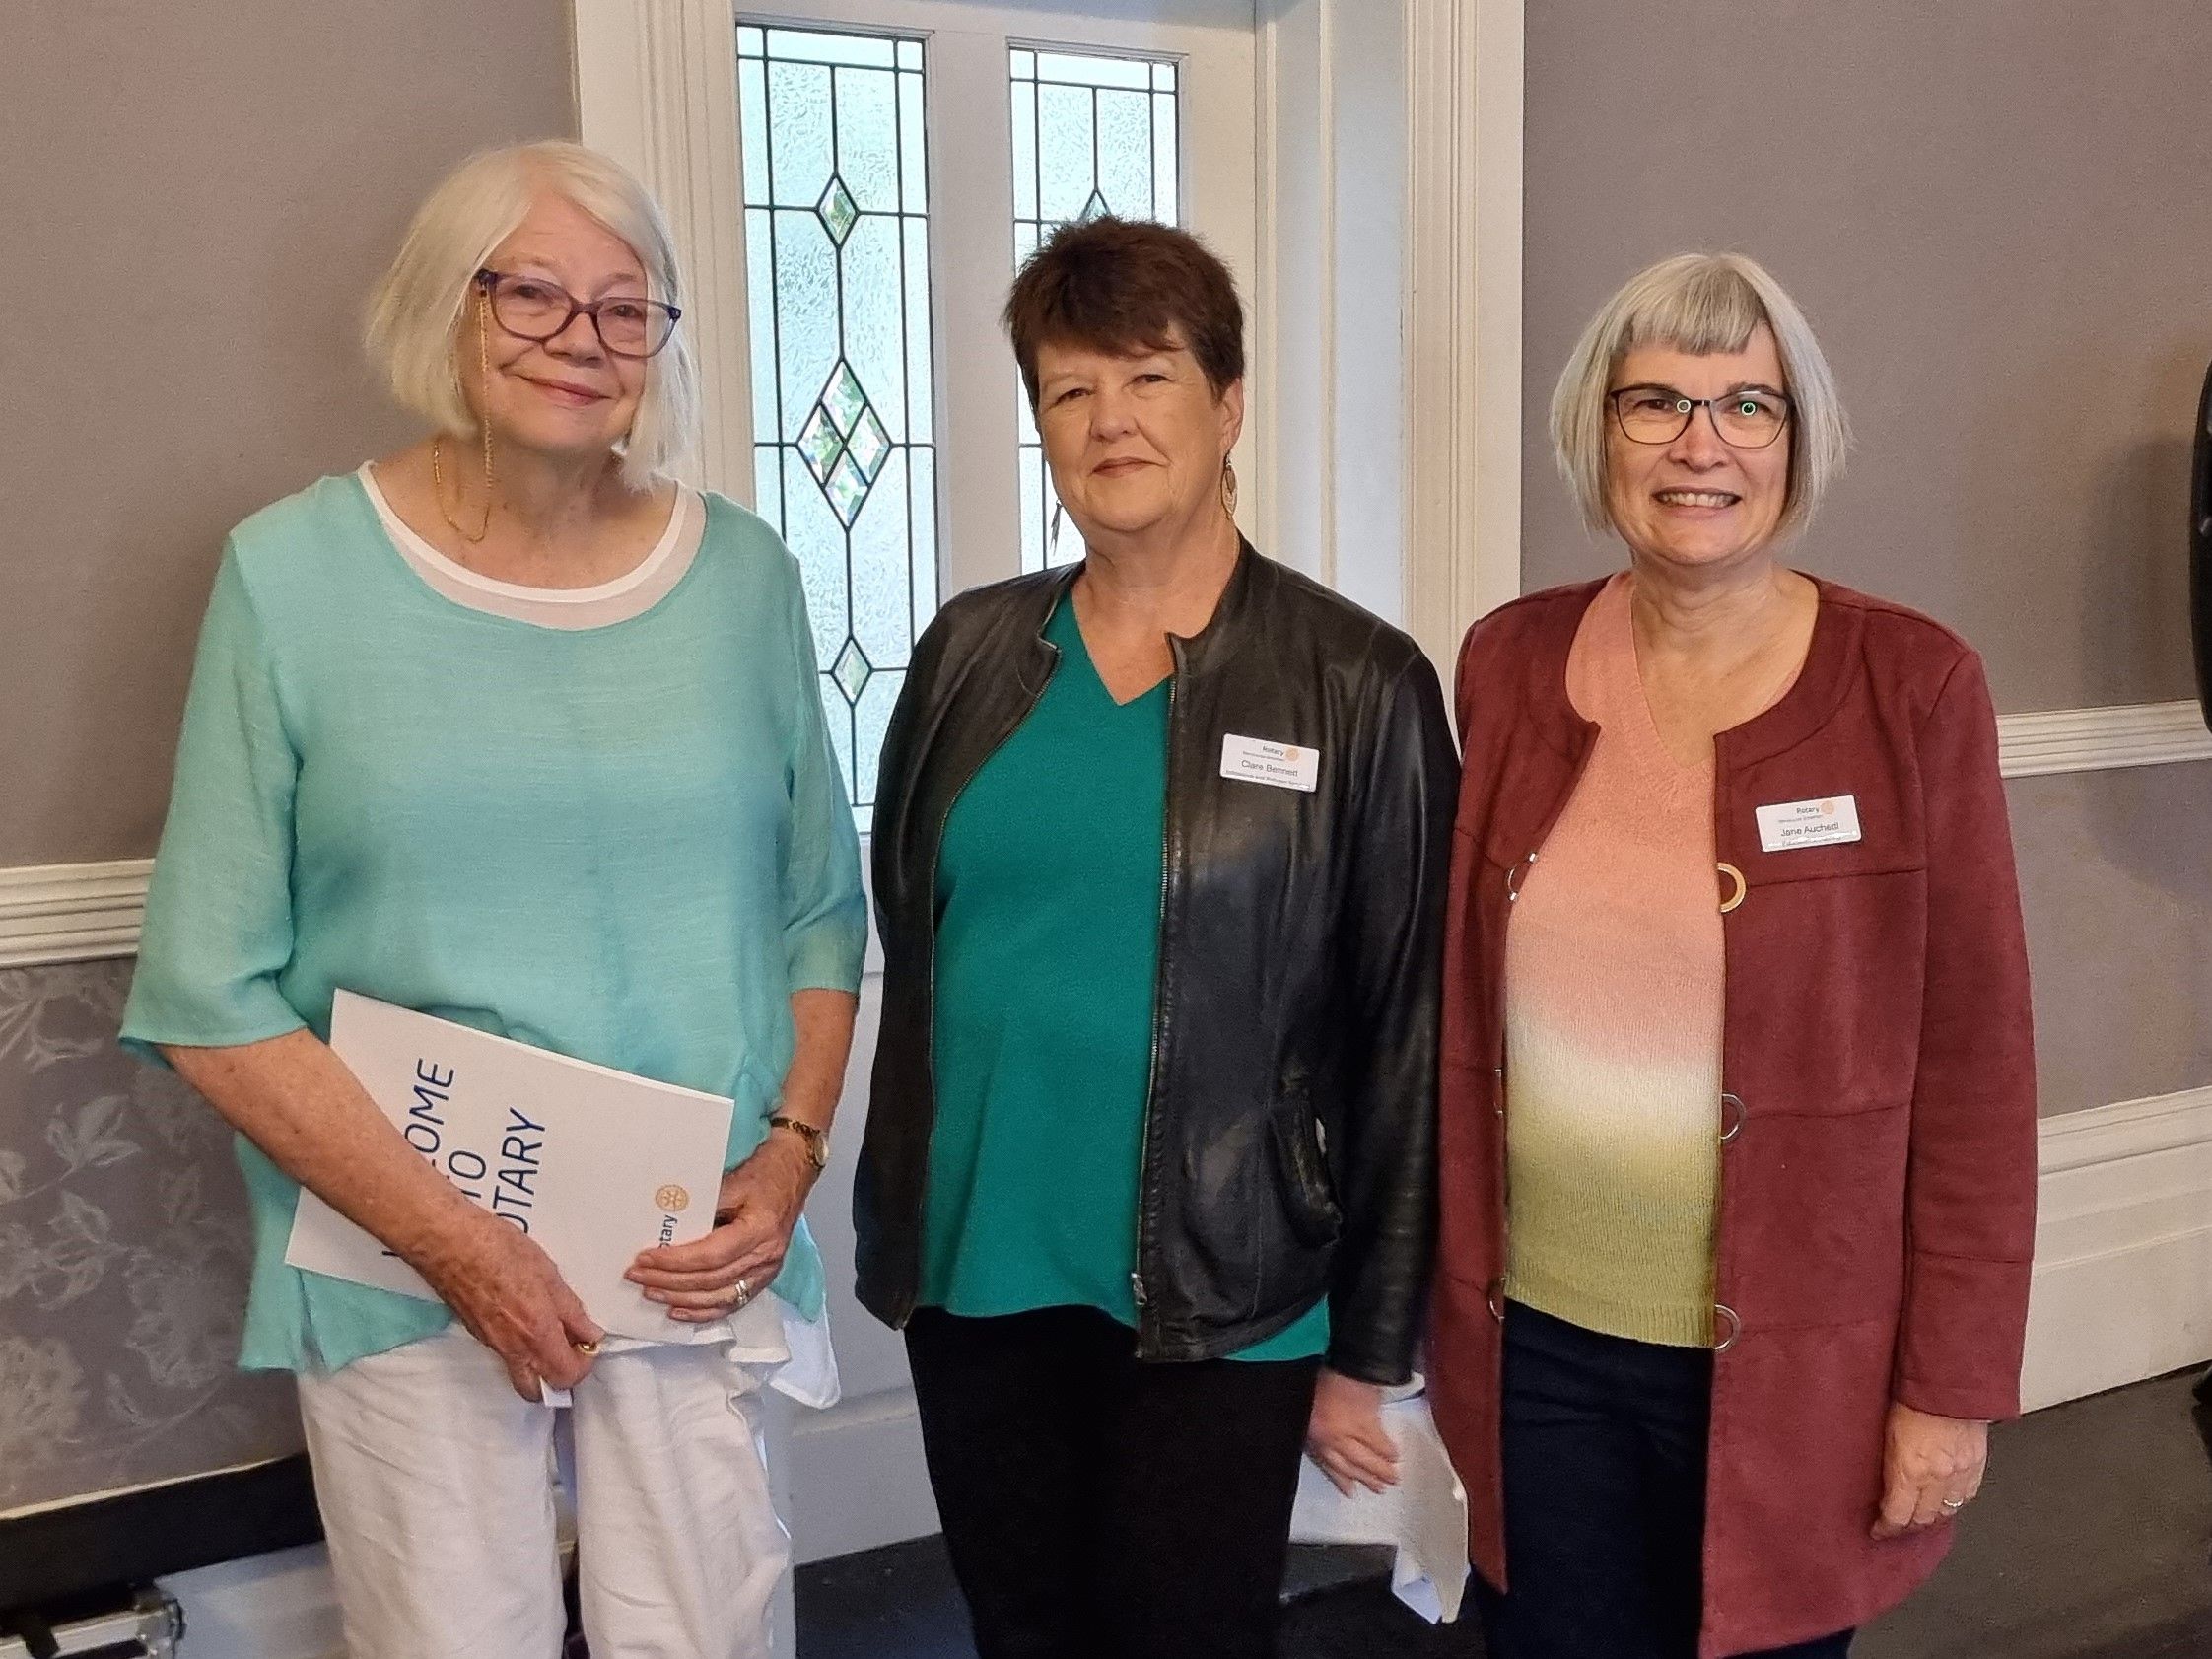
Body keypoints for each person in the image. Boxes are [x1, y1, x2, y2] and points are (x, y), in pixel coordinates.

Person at [119, 141, 866, 1659]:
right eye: (531, 293)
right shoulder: (291, 578)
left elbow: (820, 912)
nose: (579, 339)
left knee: (711, 1638)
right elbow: (208, 995)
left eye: (624, 307)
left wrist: (790, 1158)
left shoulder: (745, 581)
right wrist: (461, 1244)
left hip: (685, 1252)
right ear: (444, 306)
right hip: (405, 1255)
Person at [855, 216, 1457, 1659]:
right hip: (979, 1267)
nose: (1108, 420)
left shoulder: (1357, 684)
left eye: (1149, 377)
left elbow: (1408, 1036)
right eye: (1070, 389)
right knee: (1022, 1633)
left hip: (1223, 1287)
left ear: (1228, 404)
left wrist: (1370, 1350)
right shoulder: (968, 655)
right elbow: (914, 933)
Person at [1427, 252, 2039, 1659]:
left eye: (1747, 406)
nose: (1699, 446)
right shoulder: (1507, 665)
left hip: (1799, 1367)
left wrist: (1950, 1386)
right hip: (1540, 1348)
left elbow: (1977, 1065)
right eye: (1655, 403)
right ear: (1599, 432)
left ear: (1796, 439)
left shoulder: (1911, 684)